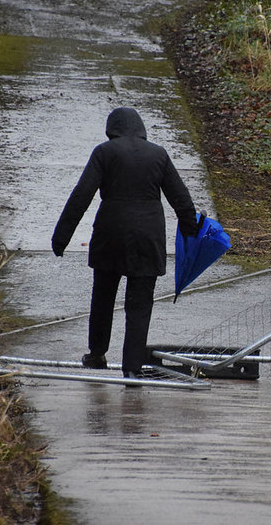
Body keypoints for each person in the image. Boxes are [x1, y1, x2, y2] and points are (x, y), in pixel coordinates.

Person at [51, 107, 199, 380]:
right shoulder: (159, 154)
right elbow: (181, 198)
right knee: (140, 303)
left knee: (103, 296)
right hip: (148, 236)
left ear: (112, 130)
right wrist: (192, 232)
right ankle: (132, 368)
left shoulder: (104, 152)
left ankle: (96, 354)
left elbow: (81, 195)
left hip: (111, 233)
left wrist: (61, 237)